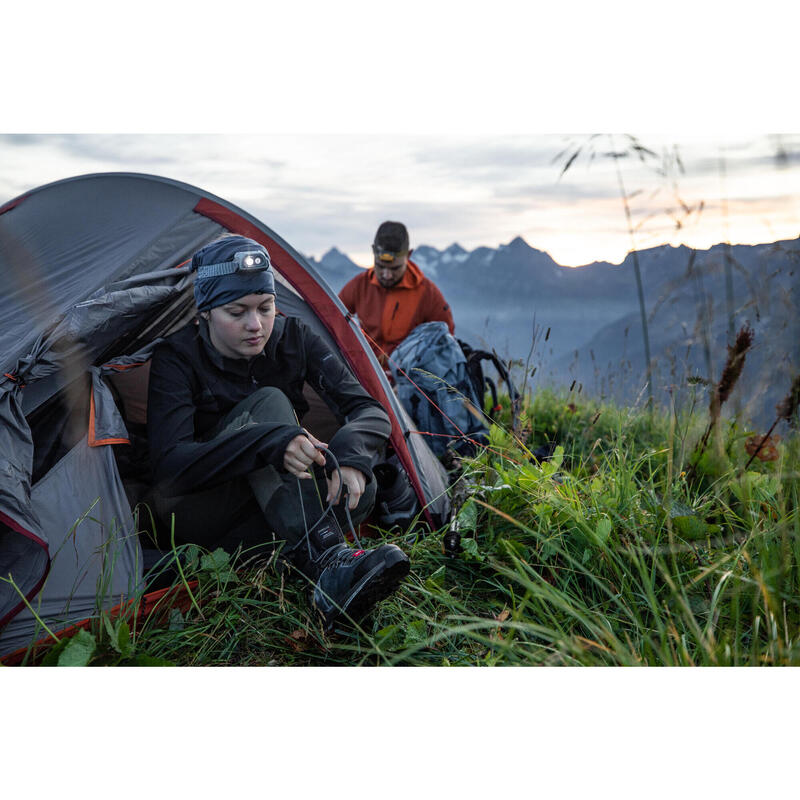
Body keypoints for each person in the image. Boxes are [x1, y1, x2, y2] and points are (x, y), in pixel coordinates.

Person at [146, 235, 409, 631]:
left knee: (361, 490)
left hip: (270, 506)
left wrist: (352, 459)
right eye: (237, 312)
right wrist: (268, 442)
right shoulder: (177, 358)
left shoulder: (293, 338)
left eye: (265, 308)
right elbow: (171, 468)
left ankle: (300, 560)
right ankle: (328, 567)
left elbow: (368, 410)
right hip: (203, 508)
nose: (256, 325)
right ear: (205, 314)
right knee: (268, 404)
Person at [339, 221, 455, 365]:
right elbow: (332, 318)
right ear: (373, 253)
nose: (386, 275)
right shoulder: (359, 285)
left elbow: (445, 341)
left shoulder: (428, 293)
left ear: (409, 255)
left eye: (395, 269)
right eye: (380, 266)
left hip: (409, 379)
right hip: (366, 374)